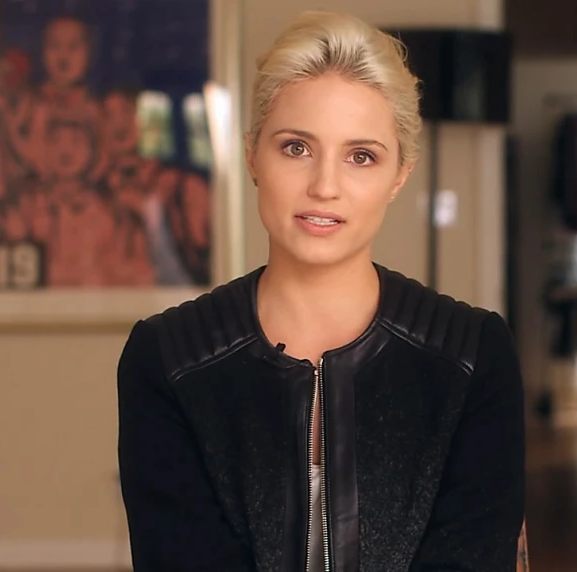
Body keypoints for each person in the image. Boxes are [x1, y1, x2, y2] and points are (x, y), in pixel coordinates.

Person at [117, 10, 526, 571]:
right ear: (252, 153)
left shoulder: (475, 355)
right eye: (296, 148)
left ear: (399, 175)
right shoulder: (167, 360)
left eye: (361, 156)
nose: (324, 186)